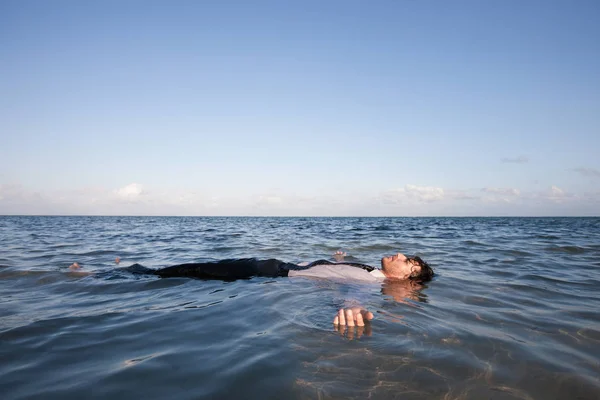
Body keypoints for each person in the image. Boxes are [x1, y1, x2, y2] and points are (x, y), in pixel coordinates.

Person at [123, 251, 434, 328]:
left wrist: (352, 308)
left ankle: (123, 275)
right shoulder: (370, 270)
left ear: (406, 279)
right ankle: (128, 273)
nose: (400, 255)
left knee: (187, 272)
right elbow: (337, 271)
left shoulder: (371, 283)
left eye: (408, 261)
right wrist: (337, 258)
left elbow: (351, 292)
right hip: (272, 267)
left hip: (267, 273)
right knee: (192, 270)